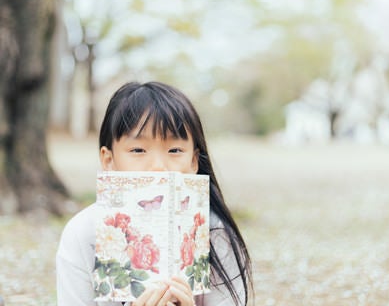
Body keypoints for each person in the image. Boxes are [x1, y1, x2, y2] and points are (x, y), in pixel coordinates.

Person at [56, 81, 253, 306]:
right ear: (109, 160)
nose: (158, 166)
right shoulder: (83, 233)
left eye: (175, 150)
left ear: (193, 162)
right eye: (138, 150)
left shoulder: (216, 234)